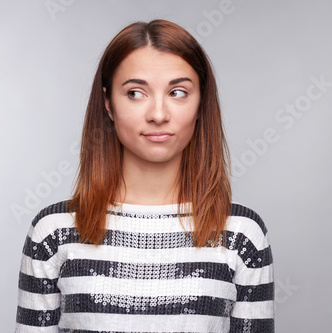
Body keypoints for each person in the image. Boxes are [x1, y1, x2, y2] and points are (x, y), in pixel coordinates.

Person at [15, 19, 274, 333]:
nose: (159, 114)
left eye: (178, 92)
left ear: (200, 101)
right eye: (136, 93)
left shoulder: (242, 236)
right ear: (108, 103)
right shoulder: (53, 232)